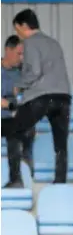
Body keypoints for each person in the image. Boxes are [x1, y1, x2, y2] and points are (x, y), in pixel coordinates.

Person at [6, 9, 72, 187]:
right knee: (61, 144)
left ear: (23, 26)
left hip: (42, 97)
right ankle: (60, 184)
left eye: (17, 28)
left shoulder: (30, 42)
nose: (17, 32)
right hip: (64, 97)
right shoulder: (54, 43)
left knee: (13, 131)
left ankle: (16, 180)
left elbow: (34, 71)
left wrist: (19, 84)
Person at [1, 35, 24, 181]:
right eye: (18, 53)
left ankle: (15, 180)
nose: (21, 57)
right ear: (8, 51)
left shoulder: (22, 73)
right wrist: (10, 104)